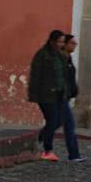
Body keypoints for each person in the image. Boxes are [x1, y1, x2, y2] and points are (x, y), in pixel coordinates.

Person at [28, 30, 68, 162]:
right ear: (52, 41)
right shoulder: (42, 55)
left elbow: (63, 75)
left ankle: (39, 138)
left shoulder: (61, 56)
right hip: (45, 94)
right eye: (59, 41)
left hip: (59, 93)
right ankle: (48, 149)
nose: (61, 44)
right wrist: (34, 95)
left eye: (63, 42)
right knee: (52, 121)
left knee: (59, 121)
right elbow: (35, 76)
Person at [62, 34, 85, 162]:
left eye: (75, 43)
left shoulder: (68, 59)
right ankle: (74, 155)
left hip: (65, 96)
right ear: (64, 45)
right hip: (60, 97)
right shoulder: (61, 59)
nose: (75, 45)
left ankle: (40, 140)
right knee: (69, 125)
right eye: (72, 43)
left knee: (55, 124)